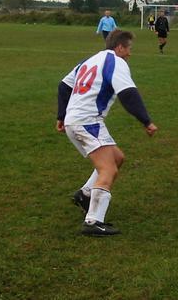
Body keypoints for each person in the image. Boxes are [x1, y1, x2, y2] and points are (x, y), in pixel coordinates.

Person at [56, 29, 158, 236]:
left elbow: (64, 86)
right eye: (128, 48)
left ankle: (85, 195)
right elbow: (128, 94)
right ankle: (93, 221)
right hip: (87, 122)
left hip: (78, 121)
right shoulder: (116, 62)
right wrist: (146, 121)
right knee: (108, 169)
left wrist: (61, 116)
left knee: (117, 158)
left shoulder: (90, 60)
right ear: (119, 47)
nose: (130, 53)